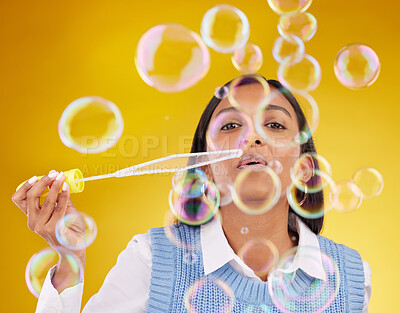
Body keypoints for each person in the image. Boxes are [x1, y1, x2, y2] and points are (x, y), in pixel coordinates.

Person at [12, 75, 372, 312]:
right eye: (231, 125)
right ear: (204, 168)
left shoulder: (351, 276)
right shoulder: (153, 260)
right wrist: (69, 262)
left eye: (274, 124)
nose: (253, 137)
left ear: (303, 167)